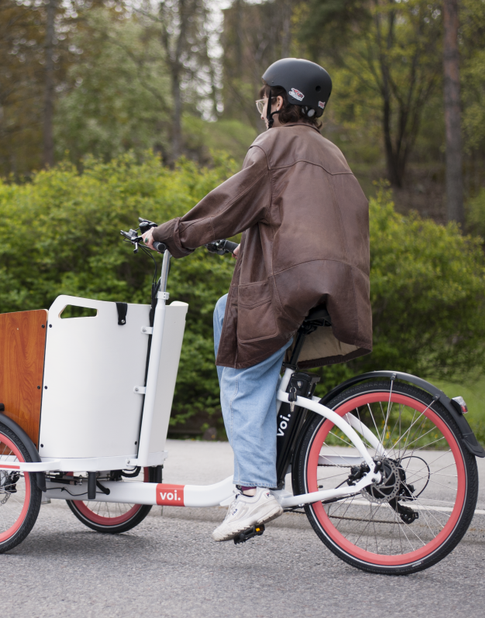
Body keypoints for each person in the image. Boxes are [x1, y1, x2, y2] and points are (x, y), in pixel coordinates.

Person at [142, 58, 373, 542]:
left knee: (235, 337)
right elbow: (304, 228)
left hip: (288, 288)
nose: (262, 107)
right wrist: (248, 245)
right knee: (253, 348)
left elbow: (226, 207)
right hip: (339, 289)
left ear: (281, 101)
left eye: (266, 97)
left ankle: (251, 489)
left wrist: (168, 235)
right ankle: (268, 456)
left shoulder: (274, 143)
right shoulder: (333, 155)